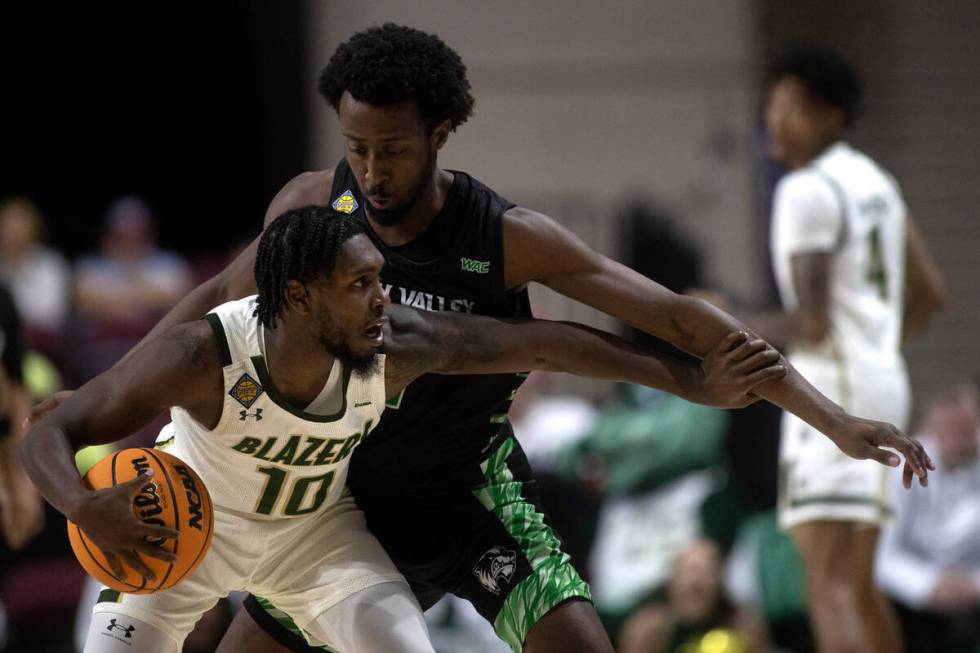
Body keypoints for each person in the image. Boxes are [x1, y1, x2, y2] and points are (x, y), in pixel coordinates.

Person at [38, 25, 932, 653]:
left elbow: (658, 325)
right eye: (356, 148)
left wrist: (829, 418)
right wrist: (100, 396)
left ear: (441, 130)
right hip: (335, 507)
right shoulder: (312, 210)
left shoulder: (506, 234)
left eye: (391, 149)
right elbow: (210, 309)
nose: (371, 172)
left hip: (467, 492)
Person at [23, 207, 789, 653]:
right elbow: (47, 435)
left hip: (312, 538)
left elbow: (546, 343)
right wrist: (83, 505)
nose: (382, 299)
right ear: (298, 297)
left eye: (380, 280)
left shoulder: (392, 349)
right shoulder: (203, 353)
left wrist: (692, 379)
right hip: (189, 534)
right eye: (361, 284)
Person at [716, 43, 947, 653]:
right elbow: (930, 293)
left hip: (833, 391)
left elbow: (811, 324)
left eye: (790, 104)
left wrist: (723, 314)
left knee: (828, 583)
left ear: (831, 115)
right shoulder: (876, 181)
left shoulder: (805, 189)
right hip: (881, 379)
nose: (774, 117)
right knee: (859, 581)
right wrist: (877, 351)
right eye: (771, 104)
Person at [876, 386, 980, 652]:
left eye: (963, 427)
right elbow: (883, 557)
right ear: (928, 429)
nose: (955, 436)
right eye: (946, 428)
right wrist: (930, 585)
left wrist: (973, 586)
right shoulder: (902, 467)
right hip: (915, 598)